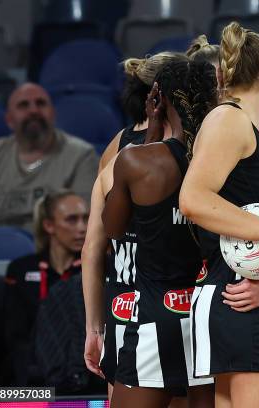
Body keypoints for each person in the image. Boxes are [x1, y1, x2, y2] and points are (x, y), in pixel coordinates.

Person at [179, 22, 259, 408]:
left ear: (221, 73)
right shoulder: (228, 119)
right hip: (243, 296)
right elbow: (193, 199)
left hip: (238, 296)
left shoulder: (247, 127)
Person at [103, 59, 217, 408]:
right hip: (212, 315)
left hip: (158, 317)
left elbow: (113, 227)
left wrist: (150, 135)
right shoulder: (229, 161)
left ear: (159, 98)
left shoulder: (138, 161)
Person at [82, 52, 189, 401]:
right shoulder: (122, 146)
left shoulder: (191, 143)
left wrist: (92, 326)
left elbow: (94, 246)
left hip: (158, 297)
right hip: (139, 299)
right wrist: (95, 326)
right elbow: (97, 244)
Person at [0, 83, 98, 232]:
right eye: (23, 105)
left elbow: (84, 221)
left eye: (41, 103)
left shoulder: (81, 156)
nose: (34, 110)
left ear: (53, 114)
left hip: (51, 252)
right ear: (9, 120)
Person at [4, 190, 88, 385]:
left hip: (87, 374)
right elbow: (15, 336)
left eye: (86, 219)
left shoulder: (102, 268)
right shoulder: (20, 269)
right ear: (49, 225)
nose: (82, 228)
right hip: (35, 376)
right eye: (72, 220)